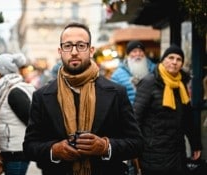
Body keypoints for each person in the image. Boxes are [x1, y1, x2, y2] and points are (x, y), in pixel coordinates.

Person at [23, 22, 143, 175]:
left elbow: (137, 143)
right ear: (60, 51)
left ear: (91, 50)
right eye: (68, 46)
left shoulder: (116, 92)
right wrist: (55, 150)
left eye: (81, 45)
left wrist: (105, 147)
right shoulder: (42, 96)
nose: (74, 52)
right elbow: (30, 146)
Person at [133, 44, 202, 175]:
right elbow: (135, 118)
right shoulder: (149, 82)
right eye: (171, 57)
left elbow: (187, 118)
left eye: (179, 59)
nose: (174, 62)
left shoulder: (181, 84)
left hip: (177, 153)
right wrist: (134, 150)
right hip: (153, 154)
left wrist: (195, 144)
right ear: (163, 60)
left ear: (182, 64)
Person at [0, 53, 36, 175]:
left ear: (2, 70)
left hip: (17, 152)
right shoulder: (3, 89)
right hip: (9, 150)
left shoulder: (14, 92)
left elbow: (32, 121)